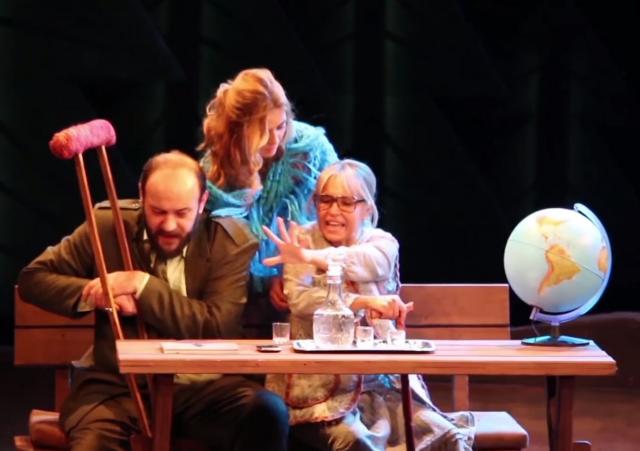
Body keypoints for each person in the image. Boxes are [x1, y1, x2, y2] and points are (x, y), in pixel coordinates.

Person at [18, 150, 289, 451]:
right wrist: (95, 294)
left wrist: (143, 285)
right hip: (117, 388)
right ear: (141, 196)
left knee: (266, 412)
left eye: (181, 213)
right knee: (94, 443)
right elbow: (34, 278)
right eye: (158, 211)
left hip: (203, 388)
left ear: (202, 203)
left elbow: (216, 326)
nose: (169, 225)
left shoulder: (228, 241)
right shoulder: (109, 226)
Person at [262, 159, 475, 450]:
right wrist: (362, 301)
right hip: (320, 391)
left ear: (367, 207)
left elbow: (366, 263)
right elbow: (301, 300)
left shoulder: (381, 243)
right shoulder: (301, 239)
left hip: (382, 386)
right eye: (326, 200)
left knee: (446, 436)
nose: (333, 211)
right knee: (357, 442)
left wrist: (310, 258)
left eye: (346, 202)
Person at [198, 67, 338, 330]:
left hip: (310, 282)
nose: (274, 139)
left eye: (280, 126)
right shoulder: (216, 167)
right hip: (237, 294)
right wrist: (249, 187)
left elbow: (337, 214)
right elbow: (216, 244)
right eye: (262, 131)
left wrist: (290, 271)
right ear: (239, 129)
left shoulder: (310, 150)